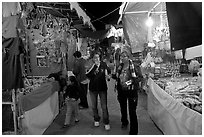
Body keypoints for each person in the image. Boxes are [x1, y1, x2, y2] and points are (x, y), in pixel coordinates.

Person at [112, 50, 143, 135]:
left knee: (132, 111)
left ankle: (133, 131)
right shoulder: (120, 66)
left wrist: (128, 83)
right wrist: (112, 75)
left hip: (131, 91)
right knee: (123, 107)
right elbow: (117, 77)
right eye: (121, 56)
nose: (122, 58)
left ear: (128, 57)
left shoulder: (135, 66)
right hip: (121, 91)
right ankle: (124, 121)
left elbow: (139, 78)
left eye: (124, 56)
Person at [86, 52, 111, 130]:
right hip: (93, 88)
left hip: (102, 88)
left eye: (98, 57)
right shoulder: (91, 65)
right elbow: (87, 75)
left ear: (100, 58)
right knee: (94, 105)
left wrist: (108, 76)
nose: (96, 59)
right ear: (93, 59)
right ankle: (96, 118)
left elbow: (108, 73)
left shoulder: (103, 64)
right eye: (95, 57)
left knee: (104, 106)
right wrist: (94, 67)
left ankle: (106, 121)